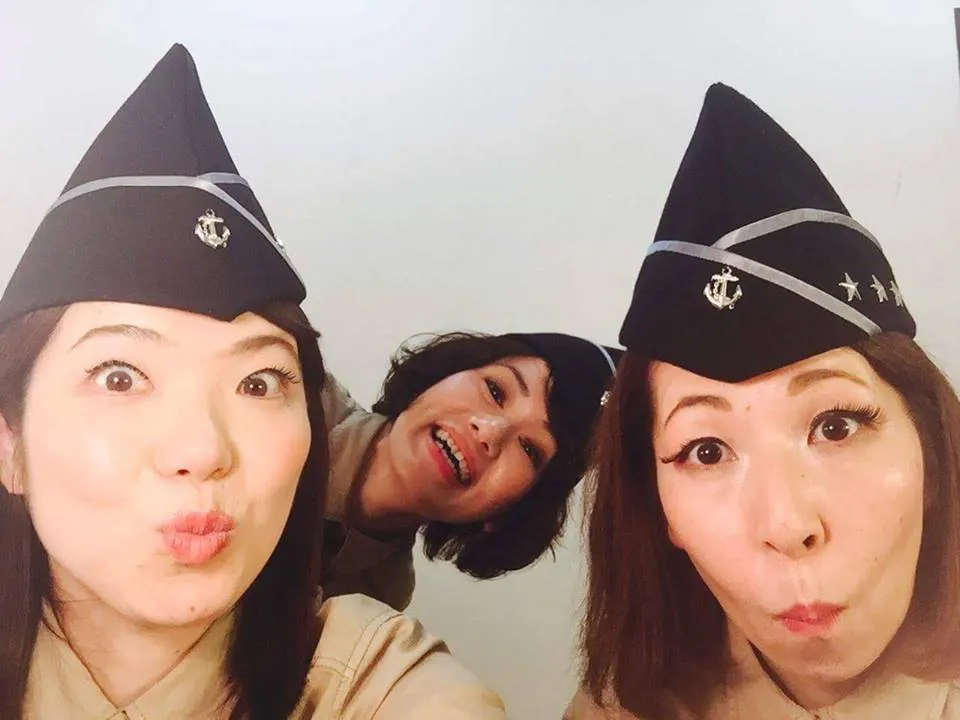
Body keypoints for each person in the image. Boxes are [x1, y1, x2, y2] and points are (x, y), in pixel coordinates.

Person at [0, 44, 505, 719]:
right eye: (120, 376)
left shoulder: (372, 678)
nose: (204, 450)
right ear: (9, 445)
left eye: (259, 383)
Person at [566, 83, 960, 719]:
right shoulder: (618, 708)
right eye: (706, 450)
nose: (786, 525)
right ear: (660, 512)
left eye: (835, 425)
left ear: (932, 451)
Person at [321, 330, 621, 610]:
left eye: (529, 449)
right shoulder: (300, 390)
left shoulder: (379, 601)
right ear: (444, 372)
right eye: (495, 391)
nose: (489, 431)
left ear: (510, 511)